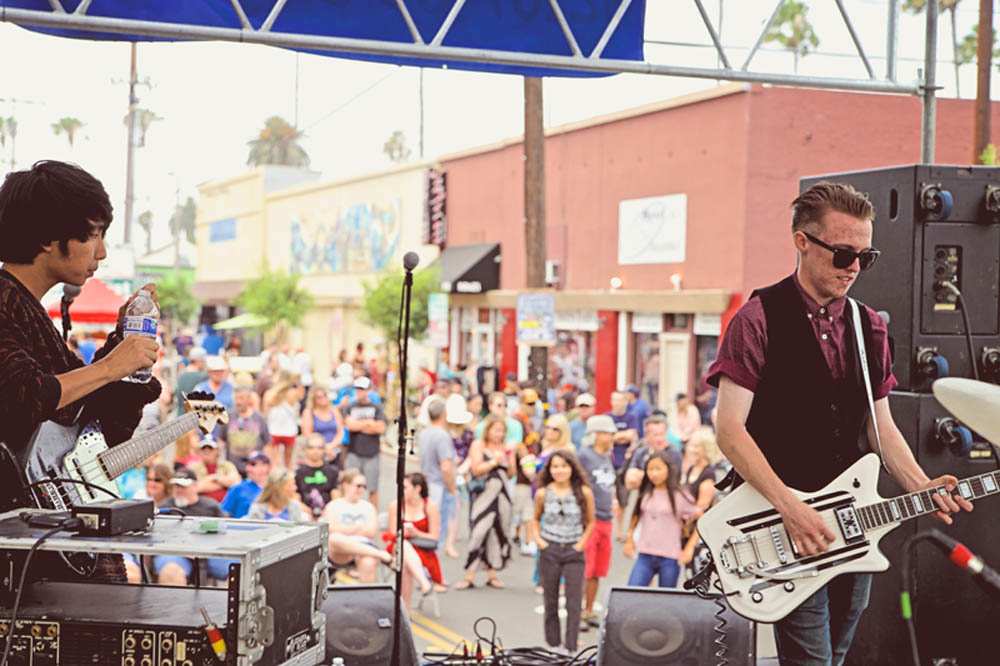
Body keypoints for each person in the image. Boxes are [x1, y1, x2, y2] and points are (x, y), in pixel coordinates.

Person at [707, 181, 972, 664]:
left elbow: (880, 427)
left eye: (865, 258)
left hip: (852, 520)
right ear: (802, 241)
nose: (854, 269)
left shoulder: (869, 324)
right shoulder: (757, 319)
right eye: (843, 254)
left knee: (837, 654)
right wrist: (790, 508)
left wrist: (921, 484)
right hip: (785, 522)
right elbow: (729, 430)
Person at [0, 160, 160, 582]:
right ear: (47, 239)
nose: (101, 253)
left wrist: (121, 345)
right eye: (92, 235)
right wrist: (112, 364)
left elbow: (93, 423)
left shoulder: (26, 310)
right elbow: (23, 396)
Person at [533, 450, 595, 656]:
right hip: (550, 549)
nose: (559, 470)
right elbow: (534, 519)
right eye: (555, 467)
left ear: (572, 468)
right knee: (550, 599)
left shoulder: (583, 492)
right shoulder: (543, 492)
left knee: (574, 601)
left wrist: (581, 544)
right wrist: (540, 542)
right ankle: (553, 645)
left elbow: (591, 521)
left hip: (573, 551)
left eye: (564, 466)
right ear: (549, 470)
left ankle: (570, 647)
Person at [622, 450, 697, 588]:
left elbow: (701, 519)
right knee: (632, 592)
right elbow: (636, 515)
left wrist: (689, 548)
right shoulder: (645, 492)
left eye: (658, 469)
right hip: (645, 554)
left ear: (668, 469)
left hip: (670, 557)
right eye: (650, 469)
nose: (654, 474)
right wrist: (629, 539)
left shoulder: (680, 495)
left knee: (666, 602)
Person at [455, 416, 513, 590]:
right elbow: (476, 469)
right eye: (496, 430)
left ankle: (492, 574)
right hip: (484, 495)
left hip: (501, 495)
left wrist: (509, 458)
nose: (499, 434)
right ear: (488, 430)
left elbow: (511, 473)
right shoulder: (478, 445)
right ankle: (469, 574)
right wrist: (494, 461)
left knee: (496, 532)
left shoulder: (506, 448)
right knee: (479, 532)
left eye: (502, 431)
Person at [576, 415, 618, 632]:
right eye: (608, 433)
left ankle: (589, 609)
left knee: (598, 570)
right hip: (590, 520)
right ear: (596, 434)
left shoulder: (606, 456)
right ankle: (579, 612)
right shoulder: (584, 456)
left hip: (606, 518)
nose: (612, 436)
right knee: (586, 568)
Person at [155, 468, 230, 585]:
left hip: (210, 553)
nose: (178, 490)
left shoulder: (210, 506)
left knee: (237, 571)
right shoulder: (165, 507)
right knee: (170, 572)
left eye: (183, 486)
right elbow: (155, 536)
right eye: (176, 486)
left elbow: (227, 529)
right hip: (175, 553)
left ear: (195, 486)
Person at [384, 473, 444, 612]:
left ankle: (405, 611)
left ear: (417, 489)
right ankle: (424, 584)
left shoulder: (429, 506)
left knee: (405, 566)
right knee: (403, 545)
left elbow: (434, 537)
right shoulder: (396, 505)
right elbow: (392, 534)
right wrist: (404, 533)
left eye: (405, 487)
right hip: (397, 547)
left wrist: (416, 533)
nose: (401, 490)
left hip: (422, 550)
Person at [322, 469, 395, 583]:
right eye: (358, 486)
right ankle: (381, 554)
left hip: (363, 547)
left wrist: (345, 529)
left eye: (364, 486)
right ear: (346, 485)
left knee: (368, 562)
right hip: (340, 550)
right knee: (334, 539)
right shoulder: (334, 505)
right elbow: (330, 529)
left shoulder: (368, 507)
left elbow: (371, 532)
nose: (361, 490)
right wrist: (357, 528)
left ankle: (367, 598)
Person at [418, 398, 458, 558]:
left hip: (428, 481)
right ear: (444, 414)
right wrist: (452, 487)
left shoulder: (424, 433)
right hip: (439, 485)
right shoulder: (442, 436)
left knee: (429, 526)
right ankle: (433, 571)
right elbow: (446, 467)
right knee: (437, 528)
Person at [344, 376, 387, 507]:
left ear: (369, 390)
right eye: (357, 389)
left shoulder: (377, 407)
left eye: (362, 389)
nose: (359, 392)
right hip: (354, 451)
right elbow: (350, 425)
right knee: (350, 485)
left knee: (372, 487)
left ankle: (373, 513)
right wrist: (369, 423)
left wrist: (360, 425)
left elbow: (381, 428)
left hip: (372, 453)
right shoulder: (350, 406)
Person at [624, 414, 683, 492]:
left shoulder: (674, 454)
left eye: (662, 434)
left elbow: (672, 480)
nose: (660, 439)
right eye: (655, 435)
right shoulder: (640, 453)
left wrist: (642, 476)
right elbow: (630, 480)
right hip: (643, 495)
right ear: (647, 436)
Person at [218, 385, 269, 475]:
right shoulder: (228, 417)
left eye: (241, 398)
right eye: (236, 398)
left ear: (249, 399)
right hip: (233, 469)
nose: (238, 402)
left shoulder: (259, 419)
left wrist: (266, 467)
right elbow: (221, 441)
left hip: (254, 469)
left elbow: (268, 444)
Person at [295, 433, 341, 519]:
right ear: (305, 449)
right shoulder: (298, 472)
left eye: (319, 448)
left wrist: (327, 511)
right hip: (305, 513)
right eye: (311, 448)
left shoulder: (332, 471)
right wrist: (307, 511)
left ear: (324, 450)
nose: (315, 451)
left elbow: (336, 498)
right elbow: (295, 499)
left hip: (327, 513)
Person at [188, 433, 240, 503]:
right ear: (199, 451)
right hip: (202, 506)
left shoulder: (227, 465)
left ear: (217, 450)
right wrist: (223, 483)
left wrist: (213, 478)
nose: (207, 451)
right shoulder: (193, 467)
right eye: (203, 448)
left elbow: (236, 483)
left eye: (210, 448)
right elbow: (195, 488)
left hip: (226, 505)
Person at [264, 374, 302, 469]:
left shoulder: (291, 392)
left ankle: (286, 480)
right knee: (275, 461)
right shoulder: (272, 393)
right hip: (275, 429)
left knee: (286, 462)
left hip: (287, 430)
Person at [300, 384, 344, 462]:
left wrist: (332, 446)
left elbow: (340, 432)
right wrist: (323, 448)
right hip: (316, 453)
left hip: (335, 451)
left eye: (325, 396)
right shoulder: (309, 413)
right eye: (319, 397)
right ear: (314, 399)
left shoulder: (334, 411)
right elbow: (307, 434)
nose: (323, 399)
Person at [221, 451, 271, 518]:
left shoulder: (275, 489)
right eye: (247, 464)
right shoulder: (237, 489)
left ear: (265, 467)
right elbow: (224, 514)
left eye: (253, 464)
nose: (248, 469)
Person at [174, 347, 207, 416]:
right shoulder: (202, 376)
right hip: (194, 417)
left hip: (180, 415)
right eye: (204, 361)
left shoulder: (181, 374)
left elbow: (176, 393)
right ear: (199, 361)